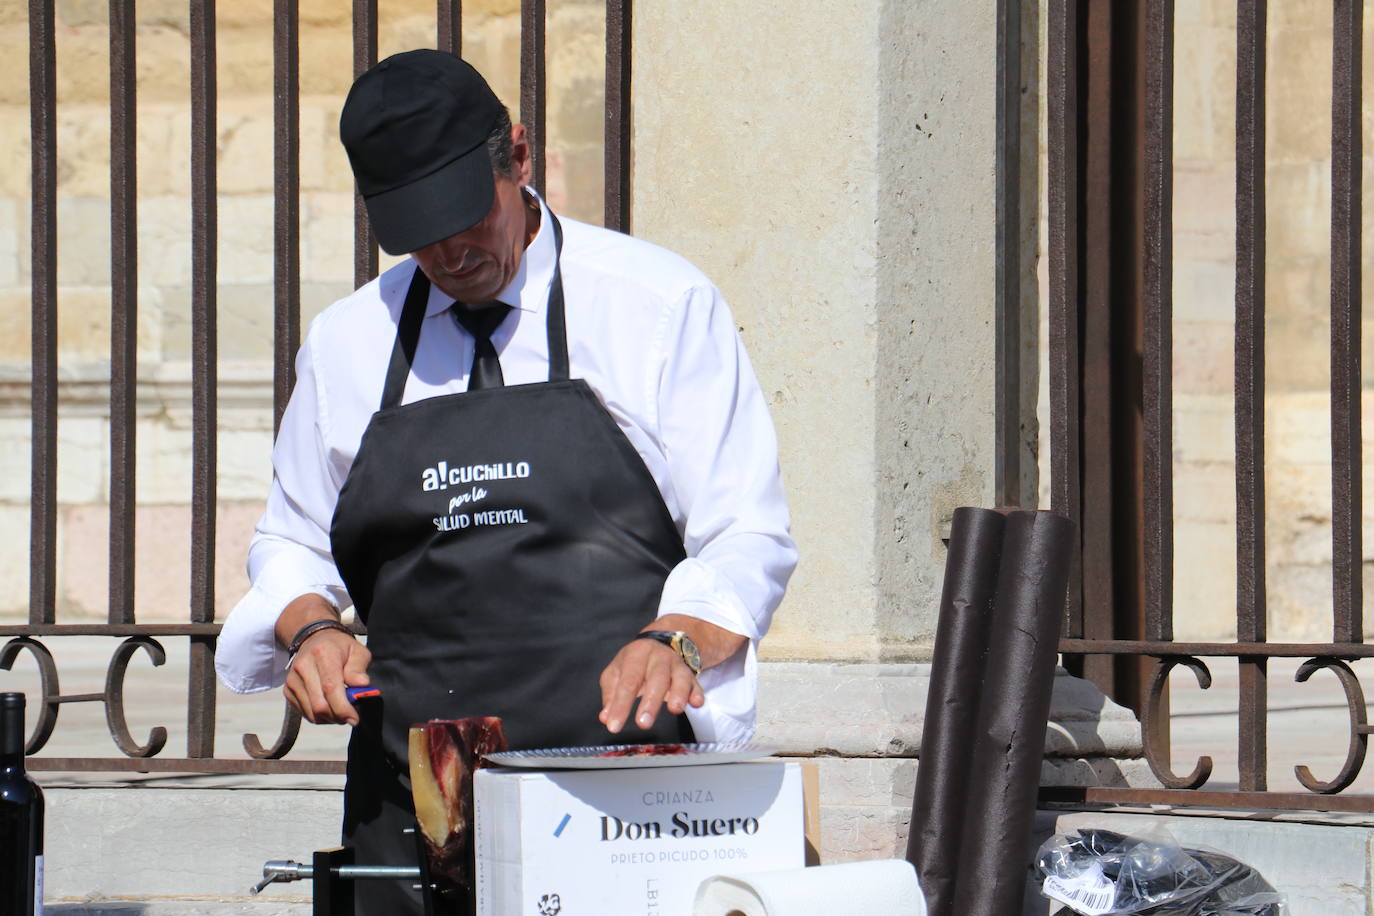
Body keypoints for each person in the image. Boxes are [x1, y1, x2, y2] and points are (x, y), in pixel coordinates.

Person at [215, 49, 796, 913]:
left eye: (465, 215)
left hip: (621, 798)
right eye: (419, 231)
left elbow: (747, 532)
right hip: (413, 804)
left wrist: (673, 639)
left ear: (519, 159)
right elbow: (293, 541)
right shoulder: (348, 344)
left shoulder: (655, 306)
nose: (450, 253)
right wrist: (310, 633)